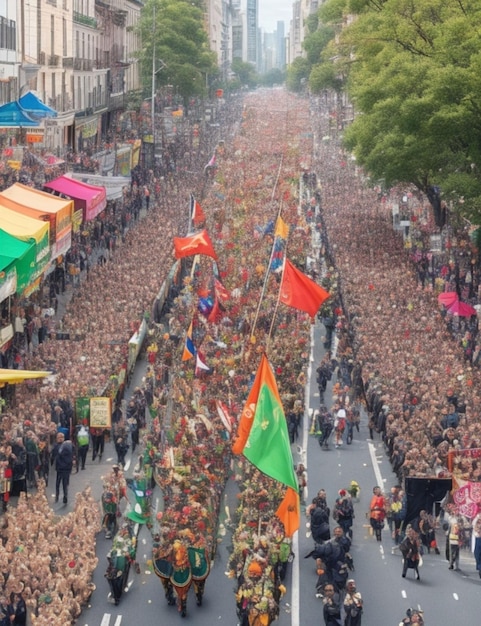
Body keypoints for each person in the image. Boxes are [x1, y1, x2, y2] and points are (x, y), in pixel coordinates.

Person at [50, 431, 73, 503]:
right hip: (65, 468)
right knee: (64, 483)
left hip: (60, 468)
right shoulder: (68, 445)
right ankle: (64, 496)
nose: (59, 439)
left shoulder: (57, 446)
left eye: (60, 438)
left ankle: (58, 496)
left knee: (59, 483)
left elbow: (53, 456)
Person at [472, 510, 481, 578]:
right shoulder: (477, 518)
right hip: (478, 537)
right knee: (477, 553)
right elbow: (473, 525)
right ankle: (479, 566)